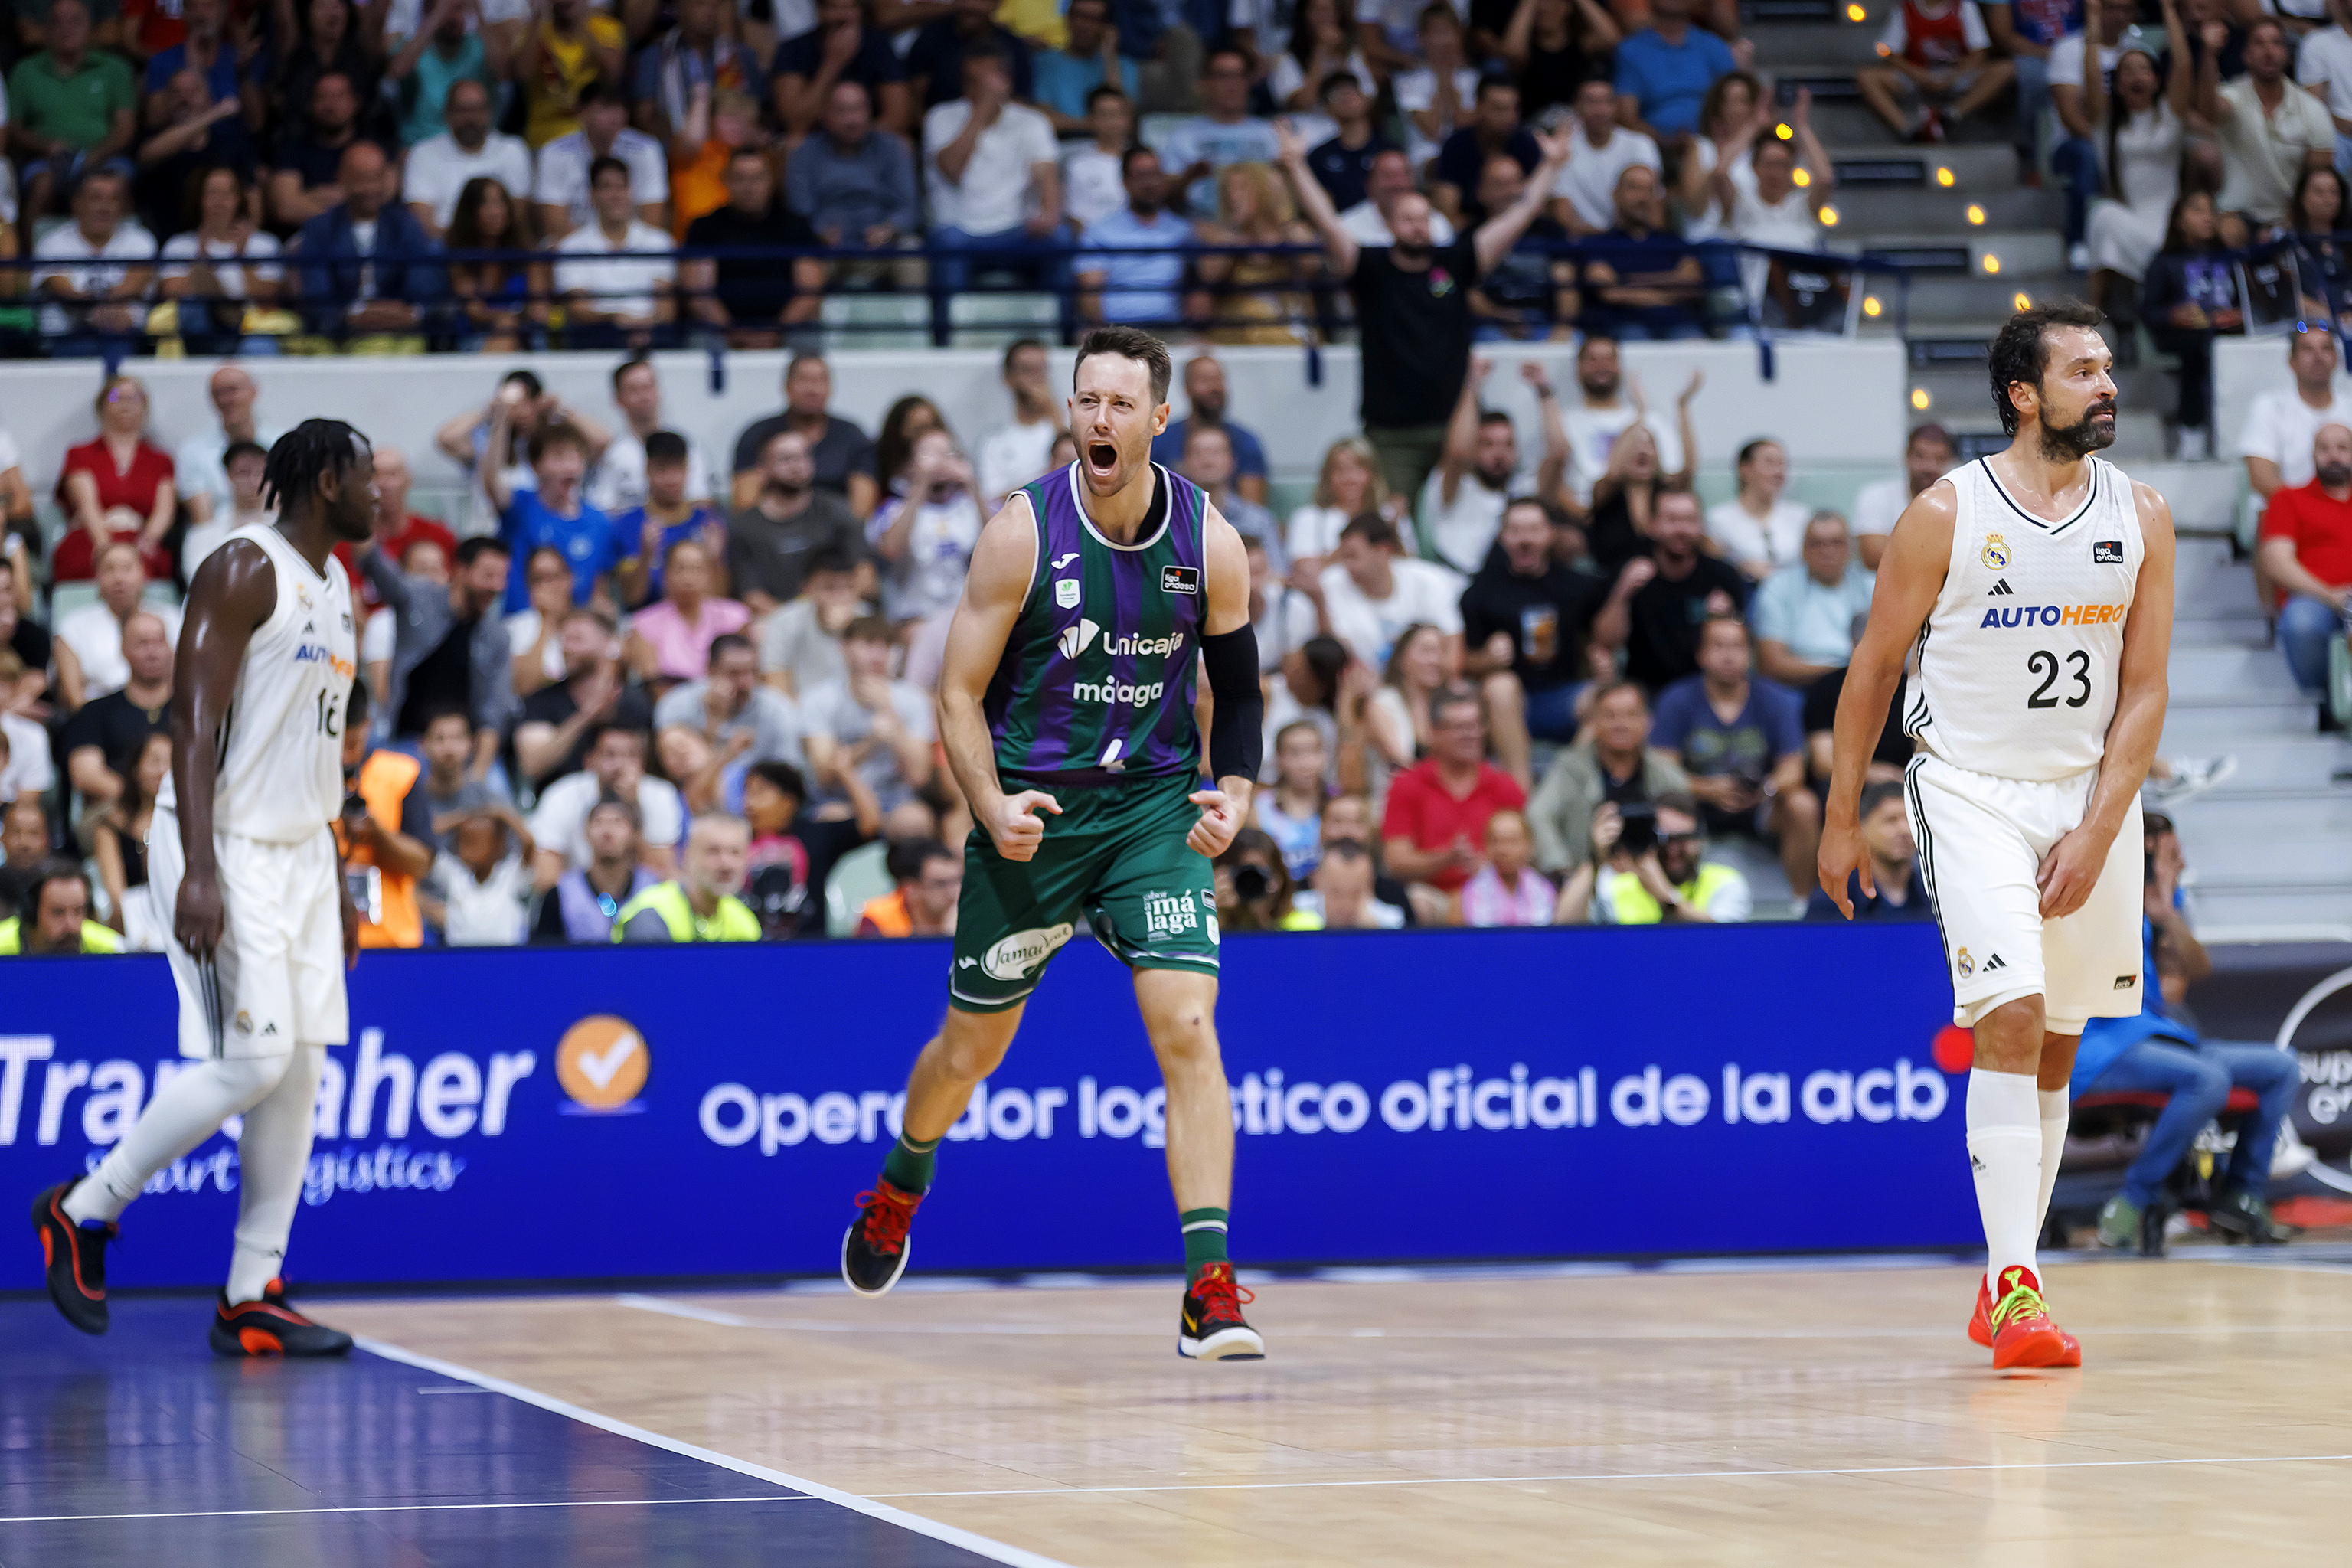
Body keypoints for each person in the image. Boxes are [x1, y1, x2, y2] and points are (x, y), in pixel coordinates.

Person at [840, 326, 1270, 1364]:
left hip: (1152, 813)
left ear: (1159, 421)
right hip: (1035, 818)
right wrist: (988, 805)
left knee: (1189, 1031)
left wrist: (1238, 793)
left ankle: (1208, 1287)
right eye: (1087, 402)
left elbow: (1242, 688)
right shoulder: (1019, 533)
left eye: (1121, 405)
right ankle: (903, 1180)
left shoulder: (1210, 541)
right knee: (970, 1051)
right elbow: (955, 693)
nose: (1100, 420)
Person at [1819, 302, 2177, 1370]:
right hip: (1970, 790)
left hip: (2091, 799)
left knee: (2060, 1043)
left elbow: (2149, 692)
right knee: (2011, 1018)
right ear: (2024, 395)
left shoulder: (2144, 513)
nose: (2106, 384)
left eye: (2109, 368)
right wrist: (1841, 819)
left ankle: (2002, 1280)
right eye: (2082, 370)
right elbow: (1873, 671)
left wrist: (2103, 827)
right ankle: (2018, 1288)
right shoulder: (1946, 513)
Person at [31, 420, 375, 1357]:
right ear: (329, 479)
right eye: (372, 474)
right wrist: (202, 866)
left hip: (303, 849)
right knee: (255, 1059)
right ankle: (82, 1207)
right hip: (220, 844)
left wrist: (338, 875)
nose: (385, 492)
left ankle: (250, 1290)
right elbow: (189, 724)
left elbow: (317, 749)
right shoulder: (242, 567)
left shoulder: (339, 583)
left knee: (300, 1067)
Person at [1277, 113, 1574, 511]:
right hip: (1392, 434)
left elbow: (1517, 218)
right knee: (1390, 521)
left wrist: (1551, 165)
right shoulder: (1370, 267)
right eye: (1407, 219)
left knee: (1470, 521)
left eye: (1423, 219)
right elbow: (1327, 223)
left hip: (1458, 424)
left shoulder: (1457, 261)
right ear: (1391, 226)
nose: (1417, 227)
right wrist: (1296, 165)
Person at [2073, 814, 2299, 1247]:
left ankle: (2240, 1198)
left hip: (2158, 1037)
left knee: (2281, 1067)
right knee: (2207, 1078)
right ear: (2142, 848)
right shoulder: (2094, 886)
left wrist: (2166, 916)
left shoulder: (2164, 900)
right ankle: (2133, 1200)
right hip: (2101, 1044)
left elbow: (2193, 972)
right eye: (2171, 854)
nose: (2180, 862)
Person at [1651, 614, 1818, 903]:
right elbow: (1660, 770)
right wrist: (1708, 789)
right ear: (1701, 654)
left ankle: (1800, 905)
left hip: (1759, 805)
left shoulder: (1775, 700)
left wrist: (1765, 790)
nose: (1729, 656)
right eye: (1718, 646)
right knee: (1660, 805)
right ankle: (1671, 899)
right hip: (1695, 806)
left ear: (1750, 654)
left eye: (1737, 647)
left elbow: (1793, 770)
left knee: (1803, 804)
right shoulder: (1676, 700)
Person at [1462, 495, 1623, 767]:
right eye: (1516, 531)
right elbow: (1462, 663)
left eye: (1534, 530)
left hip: (1562, 696)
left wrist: (1602, 660)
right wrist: (1487, 660)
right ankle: (1520, 791)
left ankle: (1566, 779)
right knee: (1501, 687)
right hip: (1509, 704)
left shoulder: (1576, 585)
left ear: (1550, 535)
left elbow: (1606, 637)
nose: (1525, 539)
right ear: (1502, 537)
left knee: (1609, 699)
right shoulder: (1480, 592)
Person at [923, 43, 1067, 335]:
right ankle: (948, 339)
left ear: (1007, 82)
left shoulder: (1032, 122)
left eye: (986, 80)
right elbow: (951, 169)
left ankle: (1061, 334)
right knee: (948, 244)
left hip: (1017, 231)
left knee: (1061, 237)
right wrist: (981, 114)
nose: (978, 88)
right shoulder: (941, 117)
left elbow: (1047, 175)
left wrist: (1049, 214)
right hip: (960, 231)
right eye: (971, 81)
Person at [358, 528, 517, 771]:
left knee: (497, 801)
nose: (497, 586)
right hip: (408, 741)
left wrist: (478, 775)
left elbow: (494, 711)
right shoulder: (419, 598)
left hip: (465, 752)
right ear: (461, 570)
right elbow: (375, 566)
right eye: (488, 575)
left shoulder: (497, 637)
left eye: (503, 577)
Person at [1379, 686, 1526, 915]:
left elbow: (1525, 850)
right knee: (1418, 900)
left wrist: (1489, 864)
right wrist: (1446, 858)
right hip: (1434, 897)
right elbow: (1396, 862)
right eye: (1460, 728)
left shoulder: (1503, 786)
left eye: (1476, 725)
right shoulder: (1407, 785)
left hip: (1492, 897)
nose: (1471, 734)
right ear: (1434, 733)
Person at [2081, 27, 2190, 334]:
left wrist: (2169, 11)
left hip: (2169, 228)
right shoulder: (2107, 126)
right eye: (2127, 71)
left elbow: (2183, 67)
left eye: (2143, 69)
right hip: (2132, 219)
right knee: (2102, 214)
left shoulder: (2170, 117)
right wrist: (2093, 25)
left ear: (2156, 80)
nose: (2136, 77)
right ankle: (2093, 316)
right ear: (2116, 84)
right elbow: (2090, 80)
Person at [2198, 16, 2332, 244]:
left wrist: (2288, 223)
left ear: (2287, 54)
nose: (2269, 51)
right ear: (2246, 55)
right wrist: (2209, 55)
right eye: (2259, 43)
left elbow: (2319, 173)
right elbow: (2209, 111)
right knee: (2228, 232)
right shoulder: (2233, 95)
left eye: (2276, 43)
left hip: (2291, 216)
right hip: (2236, 216)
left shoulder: (2312, 109)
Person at [289, 142, 439, 342]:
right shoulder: (320, 229)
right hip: (339, 338)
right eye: (362, 180)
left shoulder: (406, 225)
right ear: (342, 178)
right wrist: (353, 316)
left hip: (400, 334)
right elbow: (318, 295)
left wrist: (406, 313)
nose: (371, 189)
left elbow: (422, 288)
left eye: (377, 178)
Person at [484, 393, 619, 614]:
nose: (569, 467)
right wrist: (501, 419)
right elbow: (490, 480)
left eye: (575, 458)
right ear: (536, 466)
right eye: (558, 458)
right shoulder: (520, 505)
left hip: (573, 631)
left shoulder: (598, 521)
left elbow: (599, 591)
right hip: (522, 624)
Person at [1428, 360, 1566, 576]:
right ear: (1474, 449)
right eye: (1488, 444)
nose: (1499, 453)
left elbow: (1558, 454)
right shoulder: (1455, 484)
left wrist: (1544, 391)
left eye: (1508, 444)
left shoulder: (1526, 489)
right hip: (1455, 579)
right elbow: (1457, 452)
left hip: (1513, 585)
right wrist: (1472, 386)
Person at [680, 145, 825, 349]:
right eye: (740, 179)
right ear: (726, 181)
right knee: (703, 340)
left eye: (758, 178)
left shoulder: (796, 226)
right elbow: (700, 295)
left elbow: (809, 290)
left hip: (785, 329)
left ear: (771, 181)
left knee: (807, 340)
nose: (749, 187)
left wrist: (776, 332)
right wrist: (733, 333)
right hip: (722, 330)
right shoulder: (705, 227)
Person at [8, 0, 138, 222]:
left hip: (105, 157)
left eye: (75, 22)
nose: (66, 29)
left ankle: (131, 252)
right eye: (57, 23)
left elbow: (125, 127)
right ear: (46, 29)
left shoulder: (116, 68)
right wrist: (46, 146)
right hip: (45, 159)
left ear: (91, 27)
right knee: (42, 187)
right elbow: (14, 129)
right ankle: (30, 255)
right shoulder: (25, 71)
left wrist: (95, 154)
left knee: (117, 185)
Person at [2139, 191, 2243, 462]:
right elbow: (2149, 310)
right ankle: (2192, 433)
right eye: (2197, 210)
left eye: (2211, 210)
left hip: (2227, 331)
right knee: (2198, 350)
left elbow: (2249, 302)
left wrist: (2239, 314)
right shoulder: (2164, 261)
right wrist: (2173, 314)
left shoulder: (2230, 258)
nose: (2207, 217)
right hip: (2184, 335)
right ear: (2178, 220)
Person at [800, 615, 934, 817]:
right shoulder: (819, 700)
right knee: (830, 816)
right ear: (844, 649)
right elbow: (825, 776)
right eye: (869, 644)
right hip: (840, 799)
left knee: (915, 819)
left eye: (886, 646)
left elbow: (919, 777)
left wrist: (890, 715)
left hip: (895, 801)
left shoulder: (913, 700)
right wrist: (872, 741)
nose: (878, 655)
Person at [788, 77, 921, 275]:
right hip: (827, 247)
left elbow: (909, 207)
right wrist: (819, 232)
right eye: (843, 111)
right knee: (805, 266)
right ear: (824, 114)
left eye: (859, 109)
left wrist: (889, 230)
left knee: (912, 256)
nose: (853, 119)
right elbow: (800, 210)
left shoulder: (892, 148)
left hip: (883, 243)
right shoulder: (804, 153)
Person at [1558, 789, 1753, 923]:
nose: (1673, 850)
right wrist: (1595, 858)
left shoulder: (1726, 883)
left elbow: (1727, 941)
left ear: (1700, 841)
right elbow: (1562, 928)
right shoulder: (1615, 885)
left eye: (1682, 839)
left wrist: (1666, 897)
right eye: (1664, 839)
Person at [1622, 487, 1749, 691]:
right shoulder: (1632, 572)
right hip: (1646, 690)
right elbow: (1606, 642)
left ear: (1701, 526)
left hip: (1706, 691)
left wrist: (1720, 620)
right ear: (1653, 525)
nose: (1681, 529)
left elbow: (1739, 650)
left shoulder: (1724, 577)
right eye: (1672, 520)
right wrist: (1622, 593)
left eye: (1690, 520)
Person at [2259, 421, 2352, 694]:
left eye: (2342, 448)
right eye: (2324, 448)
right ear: (2312, 456)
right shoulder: (2288, 499)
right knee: (2301, 622)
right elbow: (2277, 561)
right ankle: (2326, 700)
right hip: (2316, 600)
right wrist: (2332, 595)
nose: (2333, 455)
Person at [54, 374, 174, 586]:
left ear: (145, 407)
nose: (126, 403)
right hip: (91, 539)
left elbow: (164, 512)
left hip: (140, 542)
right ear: (101, 406)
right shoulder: (80, 454)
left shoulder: (161, 460)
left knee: (151, 567)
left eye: (134, 397)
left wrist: (145, 543)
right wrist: (106, 551)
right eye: (117, 396)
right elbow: (87, 507)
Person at [531, 721, 683, 884]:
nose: (620, 766)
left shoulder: (661, 794)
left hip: (640, 900)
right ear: (590, 760)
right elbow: (545, 877)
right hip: (576, 899)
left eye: (631, 756)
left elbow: (661, 875)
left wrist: (633, 806)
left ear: (643, 762)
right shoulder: (561, 795)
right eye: (610, 755)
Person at [729, 355, 880, 517]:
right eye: (804, 380)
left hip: (835, 531)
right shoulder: (758, 434)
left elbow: (861, 510)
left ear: (830, 388)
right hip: (773, 531)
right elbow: (745, 505)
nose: (812, 390)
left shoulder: (853, 436)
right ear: (787, 386)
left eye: (821, 381)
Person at [32, 169, 158, 358]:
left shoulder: (141, 240)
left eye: (113, 199)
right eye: (96, 198)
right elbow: (62, 290)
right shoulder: (52, 244)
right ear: (77, 203)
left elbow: (134, 285)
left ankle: (115, 388)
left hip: (125, 338)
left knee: (117, 355)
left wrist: (97, 310)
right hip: (69, 340)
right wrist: (100, 312)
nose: (104, 207)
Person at [157, 168, 283, 351]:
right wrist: (201, 255)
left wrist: (242, 258)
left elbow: (268, 302)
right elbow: (172, 295)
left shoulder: (264, 244)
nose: (220, 201)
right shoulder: (179, 245)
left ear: (239, 199)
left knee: (260, 347)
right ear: (199, 199)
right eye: (212, 193)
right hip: (198, 334)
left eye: (227, 194)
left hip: (248, 332)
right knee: (193, 306)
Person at [1577, 163, 1706, 341]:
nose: (1643, 197)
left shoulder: (1675, 242)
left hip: (1680, 326)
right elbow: (1610, 292)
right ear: (1616, 194)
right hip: (1624, 327)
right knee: (1636, 340)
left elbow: (1691, 282)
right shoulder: (1597, 244)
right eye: (1634, 188)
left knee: (1697, 347)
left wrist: (1627, 280)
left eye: (1650, 190)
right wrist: (1669, 285)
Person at [868, 430, 985, 626]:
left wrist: (973, 485)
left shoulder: (971, 505)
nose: (939, 462)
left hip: (963, 615)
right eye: (929, 454)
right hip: (912, 618)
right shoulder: (893, 510)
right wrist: (920, 485)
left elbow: (1002, 544)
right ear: (909, 464)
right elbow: (891, 549)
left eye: (947, 454)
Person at [1560, 335, 1688, 508]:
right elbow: (1552, 483)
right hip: (1587, 511)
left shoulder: (1651, 419)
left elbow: (1677, 474)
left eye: (1609, 359)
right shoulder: (1563, 421)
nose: (1601, 366)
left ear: (1620, 366)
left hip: (1647, 509)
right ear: (1578, 368)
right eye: (1593, 359)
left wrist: (1681, 406)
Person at [1857, 0, 2010, 142]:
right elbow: (1888, 52)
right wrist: (1919, 75)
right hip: (1918, 74)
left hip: (1956, 75)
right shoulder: (1906, 8)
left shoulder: (1964, 6)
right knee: (1867, 77)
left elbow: (1979, 53)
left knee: (2004, 69)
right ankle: (1910, 130)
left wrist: (1953, 77)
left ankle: (1950, 116)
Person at [1752, 511, 1876, 686]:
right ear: (1804, 549)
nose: (1827, 551)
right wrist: (1840, 673)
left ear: (1849, 547)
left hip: (1861, 686)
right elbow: (1772, 664)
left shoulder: (1872, 587)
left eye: (1836, 543)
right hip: (1801, 689)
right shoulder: (1778, 587)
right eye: (1817, 544)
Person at [532, 80, 668, 238]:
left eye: (619, 108)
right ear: (581, 113)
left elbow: (652, 222)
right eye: (603, 108)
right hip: (574, 249)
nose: (614, 117)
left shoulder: (647, 150)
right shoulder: (554, 153)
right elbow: (555, 226)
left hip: (632, 247)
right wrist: (596, 247)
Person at [401, 77, 531, 237]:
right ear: (447, 113)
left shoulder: (513, 150)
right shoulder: (423, 153)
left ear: (490, 113)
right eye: (463, 110)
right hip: (443, 250)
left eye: (478, 109)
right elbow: (422, 222)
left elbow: (517, 216)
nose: (471, 118)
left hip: (499, 249)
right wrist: (465, 246)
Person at [54, 547, 179, 713]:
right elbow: (72, 696)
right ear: (97, 577)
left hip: (164, 715)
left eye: (127, 568)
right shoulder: (73, 626)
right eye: (109, 569)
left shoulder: (172, 619)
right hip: (98, 721)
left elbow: (183, 682)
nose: (118, 578)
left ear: (143, 573)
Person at [2236, 325, 2352, 501]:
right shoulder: (2269, 406)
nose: (2318, 357)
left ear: (2336, 359)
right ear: (2292, 361)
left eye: (2326, 349)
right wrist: (2309, 511)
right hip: (2288, 516)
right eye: (2308, 349)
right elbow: (2260, 477)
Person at [1158, 47, 1279, 217]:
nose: (1233, 84)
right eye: (1223, 76)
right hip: (1200, 226)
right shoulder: (1183, 136)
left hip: (1261, 227)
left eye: (1240, 75)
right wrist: (1188, 178)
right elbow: (1162, 195)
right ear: (1204, 83)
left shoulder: (1270, 134)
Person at [769, 0, 912, 140]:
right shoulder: (793, 49)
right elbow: (795, 123)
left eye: (851, 8)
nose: (843, 16)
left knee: (902, 144)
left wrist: (850, 136)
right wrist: (833, 63)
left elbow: (898, 118)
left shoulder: (878, 46)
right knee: (794, 143)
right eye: (834, 8)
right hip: (815, 141)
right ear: (820, 11)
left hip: (866, 138)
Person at [614, 433, 727, 608]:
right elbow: (632, 599)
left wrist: (715, 560)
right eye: (662, 469)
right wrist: (645, 557)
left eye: (678, 468)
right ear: (647, 469)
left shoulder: (708, 522)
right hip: (649, 617)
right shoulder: (629, 524)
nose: (671, 478)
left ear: (688, 468)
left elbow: (720, 599)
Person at [613, 811, 760, 941]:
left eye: (735, 853)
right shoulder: (651, 914)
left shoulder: (744, 921)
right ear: (687, 855)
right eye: (713, 851)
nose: (726, 864)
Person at [176, 365, 286, 535]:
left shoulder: (282, 443)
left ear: (254, 391)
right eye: (218, 393)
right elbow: (204, 522)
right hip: (218, 539)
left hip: (275, 534)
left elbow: (287, 506)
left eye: (233, 390)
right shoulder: (192, 452)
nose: (226, 399)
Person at [531, 794, 656, 941]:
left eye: (617, 822)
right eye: (598, 822)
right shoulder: (560, 895)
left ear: (635, 834)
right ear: (586, 833)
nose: (607, 832)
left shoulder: (653, 890)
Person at [1549, 78, 1661, 238]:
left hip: (1635, 243)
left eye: (1606, 102)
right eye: (1591, 102)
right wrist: (1609, 240)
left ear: (1616, 106)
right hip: (1584, 246)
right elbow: (1563, 219)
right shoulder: (1563, 150)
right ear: (1577, 107)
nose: (1599, 110)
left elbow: (1655, 212)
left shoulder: (1642, 144)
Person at [1613, 0, 1739, 142]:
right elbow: (1627, 118)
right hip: (1652, 146)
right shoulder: (1631, 50)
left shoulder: (1715, 46)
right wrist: (1666, 141)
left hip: (1711, 143)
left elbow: (1737, 105)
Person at [1149, 354, 1269, 501]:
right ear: (1187, 388)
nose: (1214, 388)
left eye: (1218, 380)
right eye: (1205, 380)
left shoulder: (1246, 442)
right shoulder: (1161, 440)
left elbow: (1252, 509)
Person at [1805, 777, 1928, 920]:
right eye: (1891, 820)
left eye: (1911, 821)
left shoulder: (1935, 893)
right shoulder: (1834, 900)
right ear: (1860, 828)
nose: (1904, 830)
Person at [91, 730, 171, 946]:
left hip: (178, 919)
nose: (163, 771)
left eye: (171, 762)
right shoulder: (111, 825)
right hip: (129, 926)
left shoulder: (188, 826)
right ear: (136, 768)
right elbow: (116, 896)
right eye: (154, 761)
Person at [973, 338, 1067, 511]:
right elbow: (993, 500)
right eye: (1026, 371)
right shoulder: (993, 442)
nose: (1035, 379)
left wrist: (1056, 415)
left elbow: (1075, 476)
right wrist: (1049, 478)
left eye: (1041, 370)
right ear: (1008, 378)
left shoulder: (1063, 428)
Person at [1851, 424, 1955, 571]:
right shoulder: (1875, 495)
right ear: (1907, 456)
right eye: (1920, 456)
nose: (1929, 466)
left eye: (1939, 459)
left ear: (1949, 461)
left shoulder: (1958, 502)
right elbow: (1873, 555)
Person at [425, 807, 534, 944]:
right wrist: (463, 817)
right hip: (461, 958)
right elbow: (425, 841)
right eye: (462, 841)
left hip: (505, 958)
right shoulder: (454, 875)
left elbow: (529, 842)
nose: (465, 849)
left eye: (474, 842)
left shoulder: (510, 875)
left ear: (497, 845)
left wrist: (504, 815)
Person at [1707, 437, 1811, 578]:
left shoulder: (1801, 516)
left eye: (1782, 465)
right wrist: (1741, 567)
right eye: (1770, 463)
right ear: (1744, 469)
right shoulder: (1719, 519)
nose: (1778, 473)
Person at [1034, 0, 1137, 132]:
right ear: (1068, 18)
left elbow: (1124, 121)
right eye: (1079, 16)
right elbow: (1043, 119)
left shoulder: (1125, 67)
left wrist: (1110, 59)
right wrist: (1095, 125)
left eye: (1093, 19)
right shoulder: (1044, 62)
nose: (1084, 26)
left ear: (1106, 27)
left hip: (1111, 147)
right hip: (1061, 145)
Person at [1305, 69, 1395, 213]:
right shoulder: (1319, 157)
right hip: (1341, 227)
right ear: (1327, 108)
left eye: (1352, 89)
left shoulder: (1389, 149)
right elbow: (1321, 207)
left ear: (1366, 99)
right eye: (1336, 93)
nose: (1346, 95)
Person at [1336, 148, 1461, 247]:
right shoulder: (1346, 228)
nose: (1397, 184)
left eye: (1404, 174)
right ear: (1369, 184)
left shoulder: (1437, 224)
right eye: (1387, 175)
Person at [1455, 806, 1553, 926]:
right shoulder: (1473, 892)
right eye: (1495, 841)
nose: (1503, 850)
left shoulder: (1543, 890)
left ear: (1529, 846)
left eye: (1512, 841)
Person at [0, 864, 126, 954]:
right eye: (58, 912)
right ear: (32, 912)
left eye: (78, 911)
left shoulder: (112, 951)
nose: (70, 925)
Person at [1061, 84, 1135, 233]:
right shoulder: (1077, 166)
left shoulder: (1144, 160)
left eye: (1118, 114)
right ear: (1090, 119)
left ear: (1129, 119)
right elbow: (1076, 218)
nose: (1112, 122)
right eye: (1105, 115)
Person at [855, 837, 962, 934]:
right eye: (940, 884)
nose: (954, 893)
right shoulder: (877, 919)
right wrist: (946, 937)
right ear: (911, 889)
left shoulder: (970, 915)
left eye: (957, 881)